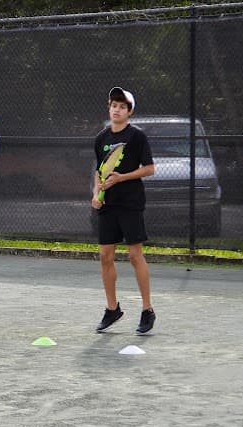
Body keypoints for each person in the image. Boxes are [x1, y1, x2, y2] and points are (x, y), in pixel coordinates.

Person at [91, 86, 156, 334]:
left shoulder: (137, 136)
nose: (116, 110)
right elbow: (100, 173)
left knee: (134, 256)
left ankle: (147, 310)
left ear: (129, 111)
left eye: (121, 106)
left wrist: (122, 178)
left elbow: (149, 168)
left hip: (130, 203)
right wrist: (96, 195)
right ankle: (112, 309)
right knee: (105, 256)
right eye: (113, 105)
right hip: (108, 206)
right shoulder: (101, 139)